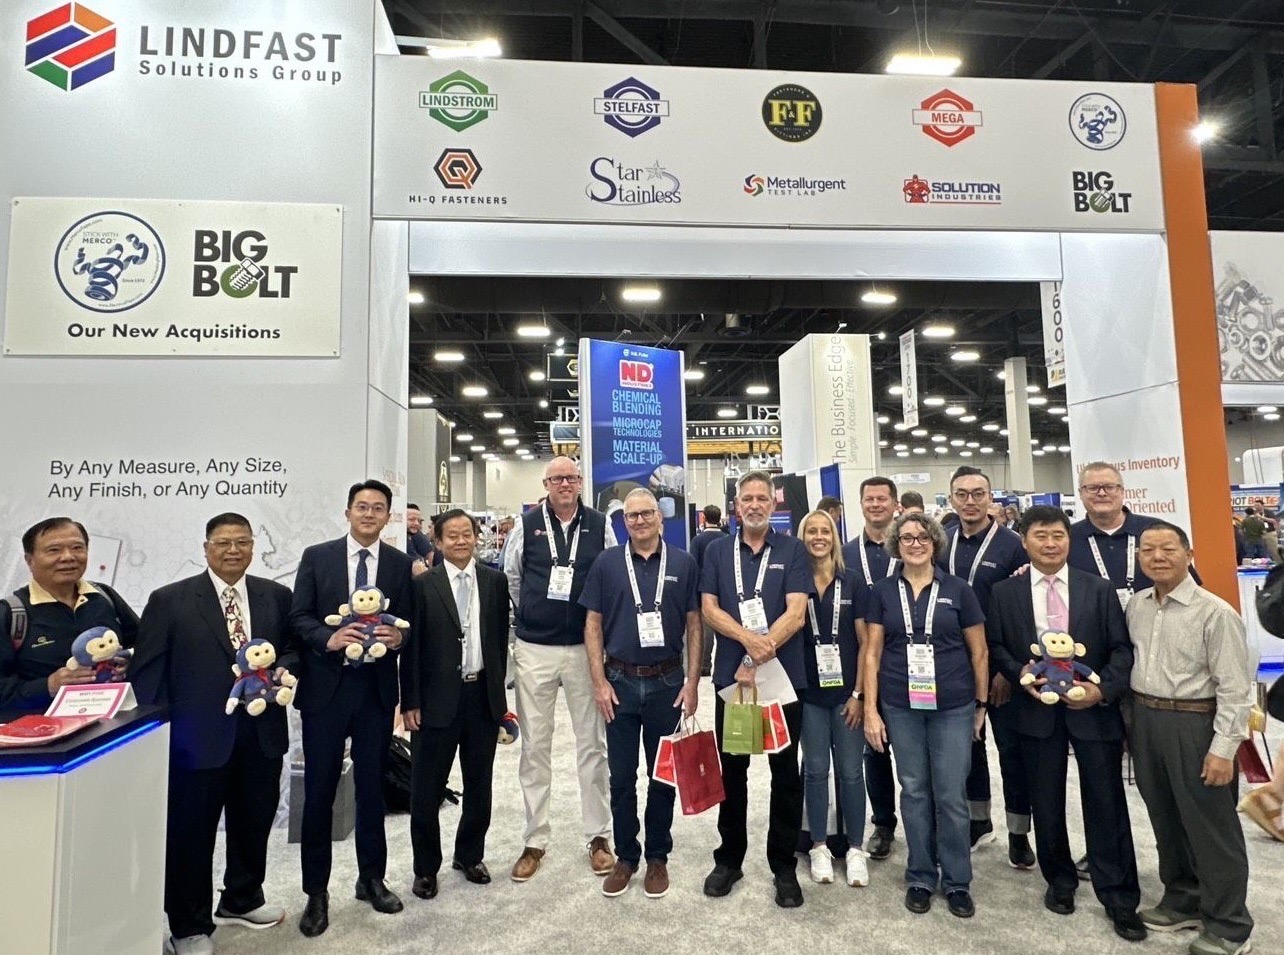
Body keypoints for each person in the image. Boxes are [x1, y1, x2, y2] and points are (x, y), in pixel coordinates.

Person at [131, 513, 295, 955]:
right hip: (196, 739)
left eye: (242, 541)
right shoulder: (170, 600)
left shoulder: (276, 595)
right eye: (223, 542)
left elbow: (293, 649)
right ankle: (188, 926)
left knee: (253, 820)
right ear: (206, 548)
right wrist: (158, 735)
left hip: (261, 732)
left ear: (253, 547)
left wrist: (285, 670)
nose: (233, 550)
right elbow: (148, 674)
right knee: (192, 834)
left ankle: (242, 898)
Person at [985, 506, 1146, 943]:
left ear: (1068, 540)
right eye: (1040, 536)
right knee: (1046, 801)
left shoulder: (1098, 589)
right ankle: (1059, 879)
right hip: (1035, 711)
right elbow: (996, 645)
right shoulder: (1005, 593)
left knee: (1106, 801)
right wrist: (1020, 674)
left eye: (1058, 535)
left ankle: (1119, 896)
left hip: (1092, 711)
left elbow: (1121, 649)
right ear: (1024, 542)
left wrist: (1102, 689)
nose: (1050, 543)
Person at [290, 479, 414, 937]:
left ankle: (372, 879)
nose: (369, 514)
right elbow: (298, 617)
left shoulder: (399, 564)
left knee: (372, 790)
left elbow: (411, 625)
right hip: (326, 691)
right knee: (319, 793)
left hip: (374, 693)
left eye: (378, 508)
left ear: (387, 517)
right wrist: (329, 638)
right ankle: (316, 893)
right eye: (362, 506)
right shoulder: (317, 557)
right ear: (347, 512)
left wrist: (399, 637)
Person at [1128, 523, 1254, 955]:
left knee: (1211, 828)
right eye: (1148, 550)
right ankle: (1184, 897)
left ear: (1189, 554)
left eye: (1168, 549)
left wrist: (1223, 749)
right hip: (1147, 719)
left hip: (1195, 724)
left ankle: (1229, 925)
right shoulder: (1138, 605)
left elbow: (1235, 688)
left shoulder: (1215, 613)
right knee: (1165, 818)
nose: (1157, 557)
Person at [863, 512, 988, 918]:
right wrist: (870, 709)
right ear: (896, 545)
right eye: (907, 538)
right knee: (914, 789)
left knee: (950, 794)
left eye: (922, 537)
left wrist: (981, 705)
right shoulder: (882, 592)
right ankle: (919, 874)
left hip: (953, 705)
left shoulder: (959, 590)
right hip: (900, 704)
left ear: (935, 543)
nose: (915, 544)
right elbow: (872, 653)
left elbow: (979, 652)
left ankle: (957, 880)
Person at [581, 488, 701, 899]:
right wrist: (598, 682)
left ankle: (657, 856)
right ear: (624, 521)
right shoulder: (606, 563)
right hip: (619, 683)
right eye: (632, 516)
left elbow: (695, 625)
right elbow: (592, 625)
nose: (639, 521)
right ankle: (627, 856)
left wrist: (692, 682)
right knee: (621, 777)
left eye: (647, 513)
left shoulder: (683, 563)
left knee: (662, 775)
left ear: (660, 517)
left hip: (668, 684)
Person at [503, 456, 617, 882]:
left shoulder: (601, 524)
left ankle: (599, 836)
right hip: (535, 648)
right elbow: (513, 578)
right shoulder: (526, 525)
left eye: (571, 477)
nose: (564, 484)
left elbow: (610, 576)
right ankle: (535, 840)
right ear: (546, 484)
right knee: (535, 746)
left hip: (585, 650)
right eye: (557, 478)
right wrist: (533, 613)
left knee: (593, 745)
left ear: (580, 482)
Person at [700, 470, 811, 907]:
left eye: (762, 498)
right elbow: (709, 610)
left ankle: (783, 865)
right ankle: (729, 859)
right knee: (733, 772)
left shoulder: (793, 550)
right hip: (734, 685)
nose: (754, 505)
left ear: (774, 503)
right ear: (736, 506)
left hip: (783, 681)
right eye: (747, 498)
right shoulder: (716, 551)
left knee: (785, 774)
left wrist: (753, 657)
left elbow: (796, 613)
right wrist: (749, 643)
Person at [400, 509, 510, 900]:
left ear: (476, 537)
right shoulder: (422, 585)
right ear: (438, 541)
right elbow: (410, 649)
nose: (461, 541)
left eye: (467, 534)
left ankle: (469, 855)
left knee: (480, 784)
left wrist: (498, 697)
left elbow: (499, 641)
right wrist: (410, 700)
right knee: (426, 789)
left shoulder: (494, 581)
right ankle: (425, 868)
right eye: (452, 536)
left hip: (481, 698)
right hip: (435, 701)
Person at [940, 466, 1034, 866]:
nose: (970, 501)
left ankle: (1019, 832)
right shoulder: (941, 542)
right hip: (956, 665)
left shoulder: (1013, 546)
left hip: (1001, 666)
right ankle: (979, 821)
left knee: (1012, 751)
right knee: (969, 747)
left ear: (990, 498)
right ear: (951, 499)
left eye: (978, 493)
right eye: (962, 494)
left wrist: (1006, 670)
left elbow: (1024, 612)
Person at [0, 517, 139, 711]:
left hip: (114, 721)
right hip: (45, 726)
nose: (68, 557)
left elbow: (145, 646)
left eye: (77, 548)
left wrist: (131, 663)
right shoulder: (11, 613)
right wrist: (48, 686)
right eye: (54, 550)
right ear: (29, 560)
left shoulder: (104, 597)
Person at [798, 510, 867, 888]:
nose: (819, 537)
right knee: (815, 769)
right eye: (812, 531)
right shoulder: (795, 580)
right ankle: (819, 845)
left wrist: (859, 693)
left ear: (834, 537)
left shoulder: (852, 581)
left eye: (825, 531)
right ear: (803, 536)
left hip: (847, 695)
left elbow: (866, 643)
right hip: (809, 693)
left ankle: (855, 848)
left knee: (851, 771)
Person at [840, 476, 901, 862]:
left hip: (905, 660)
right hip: (862, 659)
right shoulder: (845, 553)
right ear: (861, 504)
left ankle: (928, 824)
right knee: (873, 747)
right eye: (869, 499)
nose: (876, 504)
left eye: (882, 498)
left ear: (895, 504)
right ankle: (883, 823)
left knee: (915, 750)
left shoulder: (913, 545)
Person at [690, 505, 727, 677]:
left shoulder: (697, 541)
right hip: (725, 590)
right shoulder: (728, 539)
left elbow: (693, 567)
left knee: (707, 631)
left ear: (704, 518)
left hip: (703, 591)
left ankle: (705, 665)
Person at [406, 504, 434, 576]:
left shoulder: (416, 534)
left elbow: (430, 555)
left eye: (419, 521)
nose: (416, 523)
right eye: (411, 520)